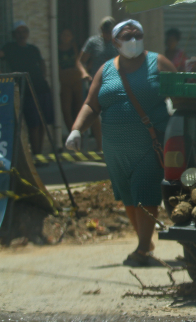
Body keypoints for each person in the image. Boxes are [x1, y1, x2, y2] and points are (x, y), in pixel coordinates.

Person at [66, 19, 177, 265]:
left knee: (146, 193)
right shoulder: (106, 70)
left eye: (137, 35)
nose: (133, 40)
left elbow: (180, 95)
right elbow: (91, 104)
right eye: (127, 37)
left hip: (149, 145)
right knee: (127, 196)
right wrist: (76, 130)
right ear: (115, 42)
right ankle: (144, 240)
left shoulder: (158, 63)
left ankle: (141, 251)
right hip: (115, 149)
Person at [0, 21, 55, 154]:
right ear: (14, 34)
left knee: (43, 122)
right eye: (18, 32)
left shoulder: (33, 49)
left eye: (24, 31)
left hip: (41, 88)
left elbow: (41, 62)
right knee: (33, 123)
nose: (21, 35)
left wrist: (43, 75)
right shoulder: (9, 48)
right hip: (25, 89)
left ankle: (40, 154)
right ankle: (35, 154)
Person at [76, 16, 119, 151]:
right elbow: (80, 61)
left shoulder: (118, 42)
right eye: (105, 31)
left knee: (113, 114)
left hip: (114, 82)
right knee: (94, 112)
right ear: (101, 30)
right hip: (96, 82)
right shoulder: (93, 42)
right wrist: (84, 73)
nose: (107, 34)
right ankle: (100, 146)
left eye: (110, 31)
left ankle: (112, 145)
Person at [58, 29, 83, 132]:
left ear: (72, 36)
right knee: (66, 108)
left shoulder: (74, 47)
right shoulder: (57, 49)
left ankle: (80, 132)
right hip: (64, 79)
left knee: (79, 106)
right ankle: (71, 131)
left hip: (76, 78)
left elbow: (79, 61)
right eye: (64, 35)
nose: (66, 37)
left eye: (68, 35)